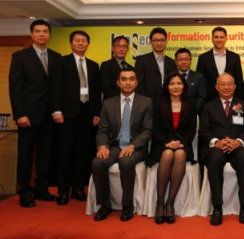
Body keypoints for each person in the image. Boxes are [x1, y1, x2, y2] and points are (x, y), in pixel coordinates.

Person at [9, 19, 61, 207]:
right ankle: (24, 191)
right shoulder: (20, 56)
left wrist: (57, 110)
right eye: (38, 31)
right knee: (25, 155)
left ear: (49, 34)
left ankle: (41, 189)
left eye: (45, 31)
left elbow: (56, 87)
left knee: (45, 154)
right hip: (28, 116)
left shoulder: (56, 57)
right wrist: (20, 114)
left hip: (49, 116)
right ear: (32, 34)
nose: (41, 34)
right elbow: (15, 89)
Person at [91, 68, 153, 222]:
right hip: (115, 146)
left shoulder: (146, 102)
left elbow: (147, 131)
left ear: (136, 82)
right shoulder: (108, 103)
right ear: (118, 83)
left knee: (126, 162)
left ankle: (127, 206)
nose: (128, 82)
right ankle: (105, 205)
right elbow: (102, 130)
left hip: (136, 148)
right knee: (97, 163)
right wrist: (102, 146)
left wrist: (133, 146)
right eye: (124, 79)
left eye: (131, 79)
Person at [51, 30, 101, 205]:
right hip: (66, 115)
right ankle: (63, 191)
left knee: (83, 153)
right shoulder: (61, 62)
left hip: (87, 115)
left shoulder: (94, 66)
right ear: (71, 43)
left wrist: (96, 113)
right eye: (77, 40)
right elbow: (55, 88)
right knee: (65, 153)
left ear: (88, 44)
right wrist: (56, 110)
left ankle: (79, 188)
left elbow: (95, 93)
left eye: (84, 41)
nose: (81, 43)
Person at [199, 73, 244, 226]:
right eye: (222, 84)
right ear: (216, 87)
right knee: (215, 159)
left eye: (229, 84)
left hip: (237, 146)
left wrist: (238, 142)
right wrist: (216, 142)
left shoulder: (243, 105)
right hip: (217, 147)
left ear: (235, 86)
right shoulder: (208, 107)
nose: (226, 87)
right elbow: (203, 131)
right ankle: (217, 208)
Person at [150, 72, 197, 224]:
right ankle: (159, 203)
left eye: (179, 83)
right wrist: (167, 143)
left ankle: (170, 203)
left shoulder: (190, 103)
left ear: (184, 86)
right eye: (172, 84)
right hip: (162, 144)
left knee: (180, 154)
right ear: (167, 86)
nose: (176, 87)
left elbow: (192, 129)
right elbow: (154, 129)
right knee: (168, 154)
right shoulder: (158, 102)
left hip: (183, 144)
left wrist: (181, 142)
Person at [197, 26, 243, 102]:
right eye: (216, 37)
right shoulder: (203, 58)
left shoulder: (235, 57)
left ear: (226, 38)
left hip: (231, 100)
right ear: (212, 38)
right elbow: (200, 82)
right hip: (209, 101)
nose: (219, 40)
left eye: (221, 37)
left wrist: (238, 101)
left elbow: (239, 81)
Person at [135, 27, 177, 99]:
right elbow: (139, 86)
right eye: (156, 40)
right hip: (148, 102)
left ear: (166, 42)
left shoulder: (171, 62)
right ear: (150, 42)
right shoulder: (142, 60)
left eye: (162, 40)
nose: (159, 43)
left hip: (167, 102)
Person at [100, 35, 134, 100]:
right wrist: (121, 101)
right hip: (111, 104)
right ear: (112, 48)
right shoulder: (106, 65)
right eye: (118, 46)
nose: (121, 49)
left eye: (124, 46)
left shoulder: (131, 68)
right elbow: (106, 88)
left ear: (128, 49)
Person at [174, 48, 207, 114]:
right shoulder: (171, 77)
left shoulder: (199, 77)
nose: (184, 62)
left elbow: (202, 97)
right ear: (175, 61)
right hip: (174, 112)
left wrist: (191, 111)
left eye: (186, 59)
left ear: (191, 60)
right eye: (180, 60)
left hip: (193, 114)